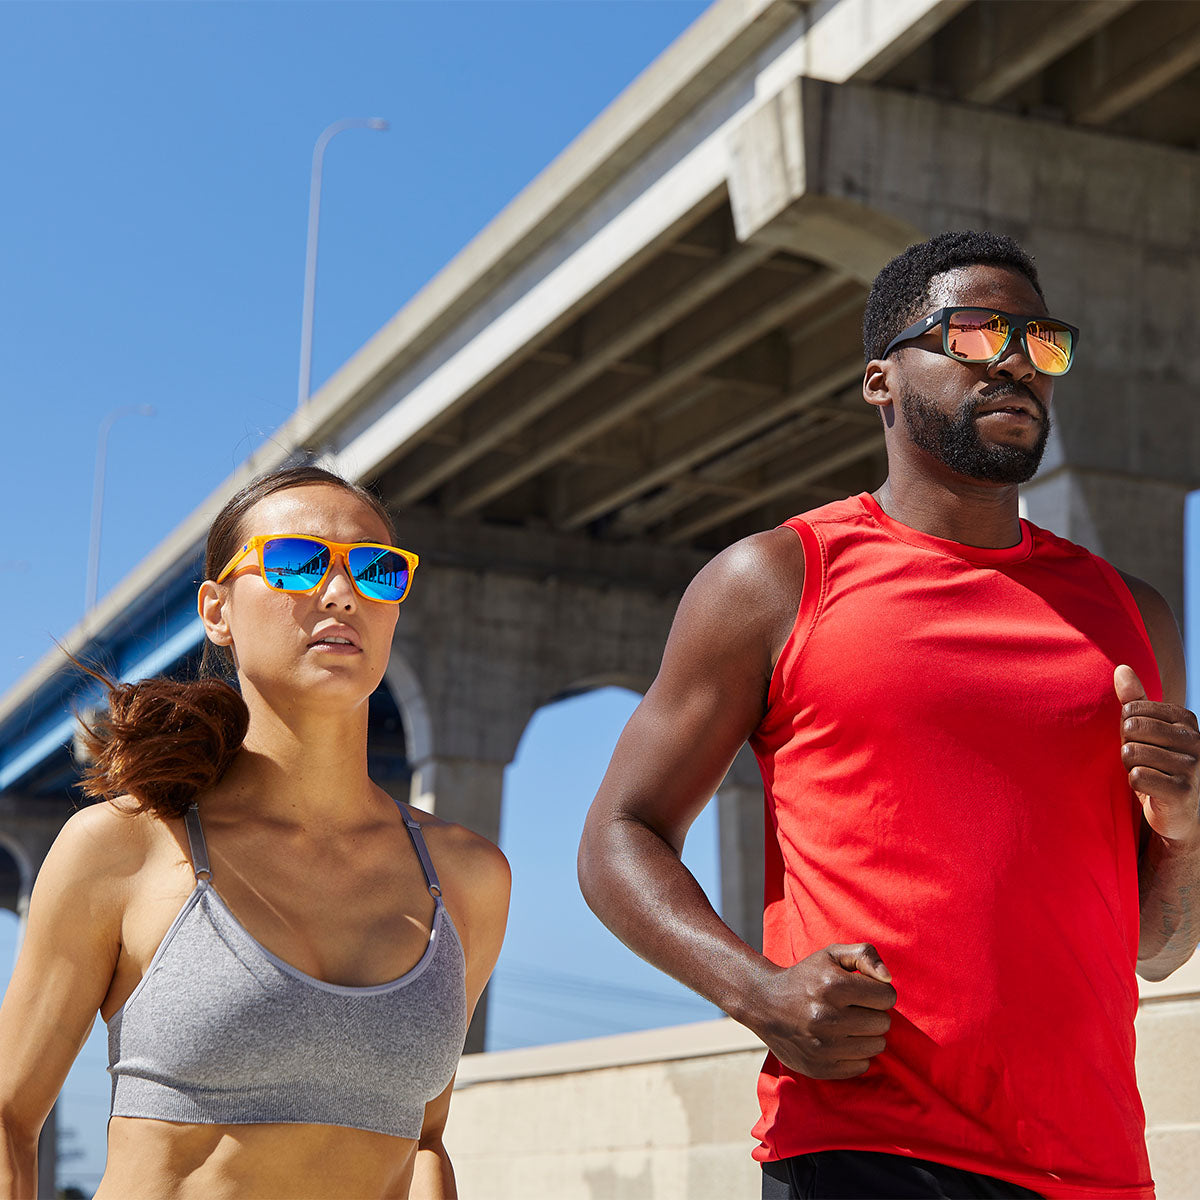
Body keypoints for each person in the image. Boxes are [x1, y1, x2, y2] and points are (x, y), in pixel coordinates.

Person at [578, 230, 1200, 1200]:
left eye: (1041, 344)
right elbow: (619, 834)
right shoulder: (776, 580)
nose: (1012, 362)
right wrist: (760, 994)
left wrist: (1188, 834)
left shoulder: (1132, 614)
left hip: (1096, 1172)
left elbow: (1157, 947)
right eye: (975, 332)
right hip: (862, 1155)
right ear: (880, 381)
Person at [0, 464, 510, 1200]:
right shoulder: (126, 848)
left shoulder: (466, 877)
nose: (341, 593)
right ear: (217, 610)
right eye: (297, 563)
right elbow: (10, 1116)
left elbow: (424, 1142)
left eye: (375, 569)